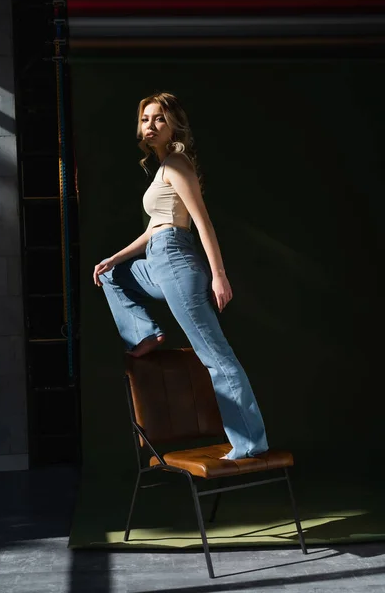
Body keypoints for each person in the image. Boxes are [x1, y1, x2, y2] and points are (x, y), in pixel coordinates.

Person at [93, 92, 268, 461]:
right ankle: (144, 333)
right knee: (113, 275)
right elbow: (154, 230)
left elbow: (201, 222)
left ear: (174, 125)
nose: (150, 125)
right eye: (145, 119)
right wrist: (114, 258)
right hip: (157, 258)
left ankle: (251, 442)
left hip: (176, 263)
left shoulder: (176, 163)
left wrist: (219, 275)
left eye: (159, 118)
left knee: (216, 357)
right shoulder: (161, 170)